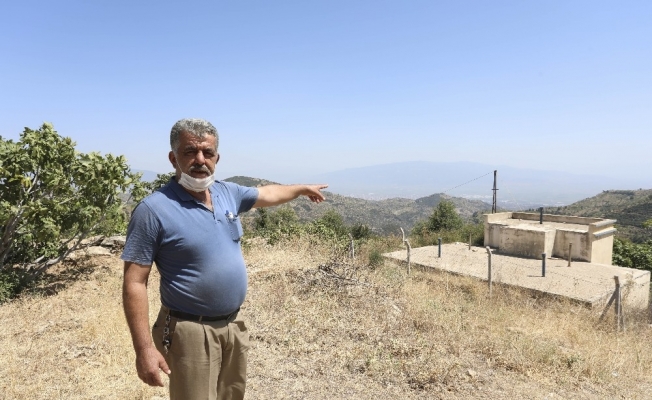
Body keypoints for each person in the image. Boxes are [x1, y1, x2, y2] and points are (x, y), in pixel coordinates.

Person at [122, 118, 327, 400]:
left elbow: (268, 193)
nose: (200, 160)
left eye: (207, 152)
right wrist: (144, 349)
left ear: (216, 158)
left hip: (233, 325)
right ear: (173, 158)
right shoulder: (153, 210)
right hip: (189, 331)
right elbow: (134, 282)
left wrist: (301, 189)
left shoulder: (227, 193)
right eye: (189, 151)